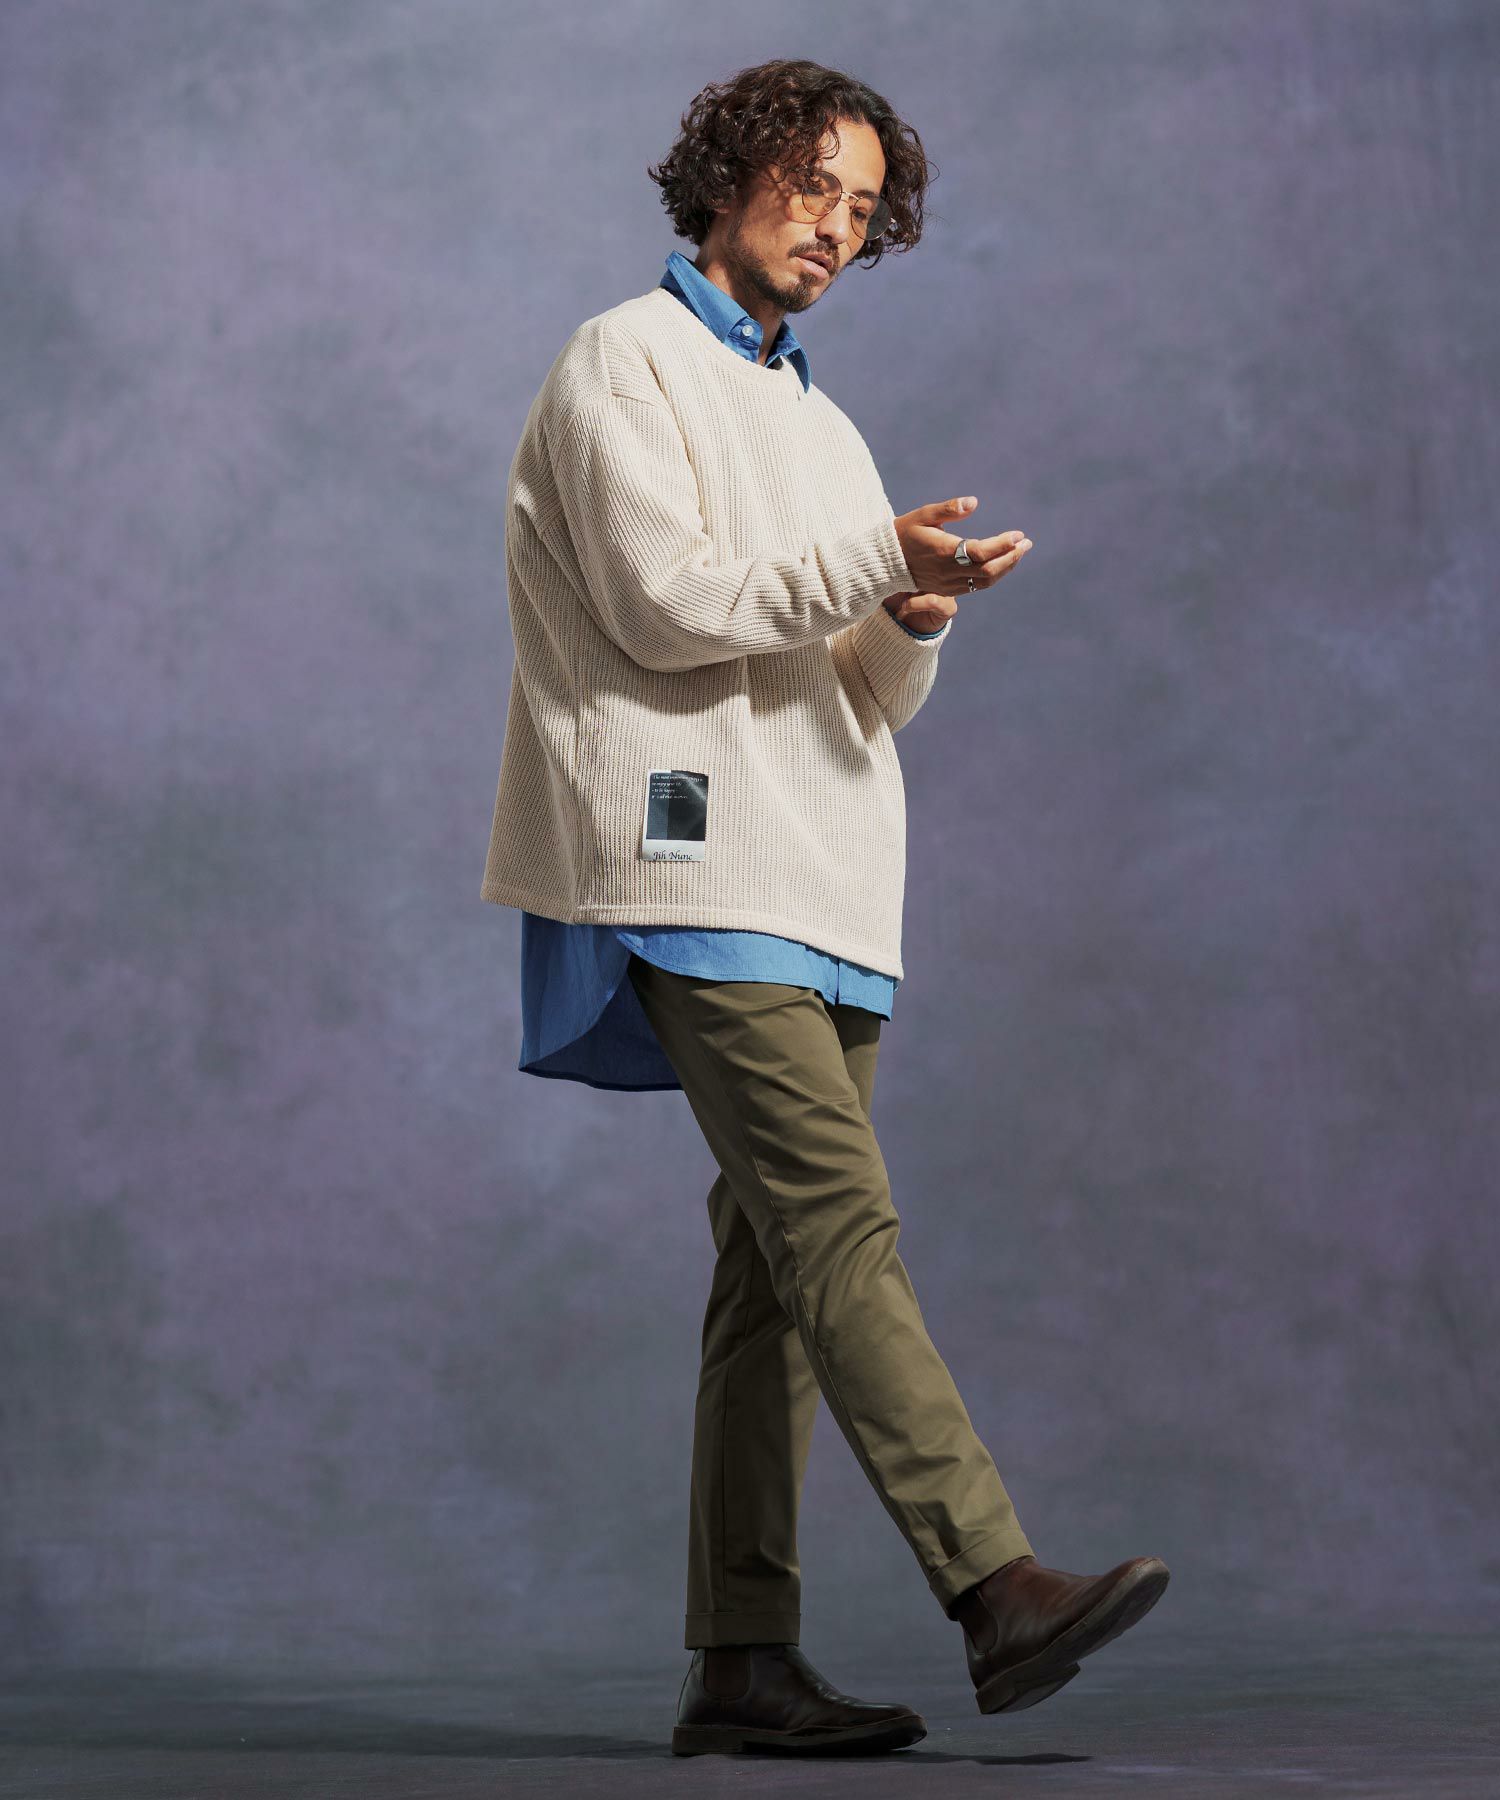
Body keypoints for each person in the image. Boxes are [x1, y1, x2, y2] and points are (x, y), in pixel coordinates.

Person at [480, 57, 1169, 1758]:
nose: (837, 228)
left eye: (864, 209)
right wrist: (874, 563)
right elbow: (666, 605)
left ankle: (740, 1663)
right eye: (813, 187)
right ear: (726, 175)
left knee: (778, 1276)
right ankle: (993, 1583)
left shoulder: (822, 424)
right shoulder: (623, 360)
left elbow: (859, 695)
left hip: (831, 877)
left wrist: (913, 612)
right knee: (838, 1228)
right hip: (692, 859)